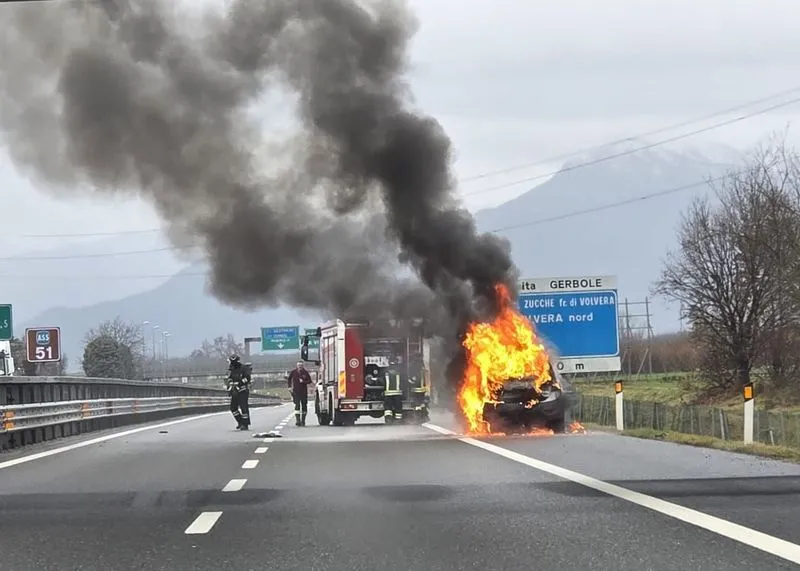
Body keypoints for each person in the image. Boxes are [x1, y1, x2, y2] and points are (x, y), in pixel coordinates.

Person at [226, 354, 251, 430]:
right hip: (234, 391)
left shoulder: (244, 368)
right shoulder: (231, 369)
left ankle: (245, 424)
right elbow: (229, 378)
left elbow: (248, 378)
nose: (232, 364)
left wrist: (240, 383)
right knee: (233, 408)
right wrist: (230, 385)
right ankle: (240, 422)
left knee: (244, 407)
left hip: (242, 390)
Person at [287, 361, 313, 426]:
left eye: (301, 365)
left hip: (303, 392)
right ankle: (298, 421)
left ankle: (303, 421)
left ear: (303, 366)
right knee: (297, 405)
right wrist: (289, 387)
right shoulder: (293, 372)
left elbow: (309, 381)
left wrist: (303, 381)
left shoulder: (305, 372)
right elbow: (289, 379)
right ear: (297, 366)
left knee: (304, 405)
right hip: (296, 392)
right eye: (298, 365)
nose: (300, 366)